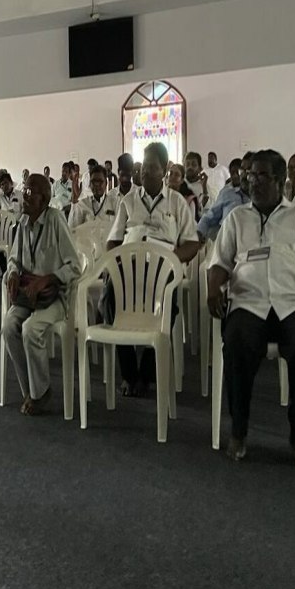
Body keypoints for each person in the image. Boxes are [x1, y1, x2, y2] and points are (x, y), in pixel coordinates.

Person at [207, 149, 295, 469]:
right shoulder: (237, 218)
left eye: (262, 175)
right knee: (236, 343)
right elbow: (219, 263)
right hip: (248, 302)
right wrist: (213, 289)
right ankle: (238, 430)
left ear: (281, 181)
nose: (253, 181)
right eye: (251, 175)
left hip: (293, 303)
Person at [104, 142, 200, 398]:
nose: (145, 172)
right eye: (143, 167)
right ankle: (128, 373)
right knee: (110, 295)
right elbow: (113, 241)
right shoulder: (128, 201)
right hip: (131, 268)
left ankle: (146, 373)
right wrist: (117, 263)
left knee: (170, 304)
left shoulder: (177, 202)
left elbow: (191, 243)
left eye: (152, 168)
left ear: (165, 170)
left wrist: (169, 259)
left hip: (162, 269)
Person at [3, 173, 81, 415]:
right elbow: (14, 259)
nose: (23, 196)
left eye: (29, 192)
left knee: (30, 329)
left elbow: (74, 266)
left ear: (44, 199)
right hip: (28, 294)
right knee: (9, 326)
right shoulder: (23, 223)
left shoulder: (56, 220)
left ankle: (40, 392)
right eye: (24, 191)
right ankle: (32, 390)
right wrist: (14, 272)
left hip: (53, 296)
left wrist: (47, 279)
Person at [197, 155, 250, 242]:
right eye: (233, 173)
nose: (236, 176)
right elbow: (210, 216)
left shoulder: (254, 192)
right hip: (227, 238)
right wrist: (198, 232)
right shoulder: (226, 192)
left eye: (238, 172)